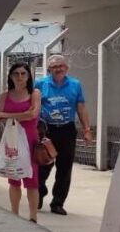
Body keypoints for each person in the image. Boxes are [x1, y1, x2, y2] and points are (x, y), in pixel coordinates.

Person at [36, 54, 90, 215]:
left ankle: (58, 202)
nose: (58, 69)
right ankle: (39, 192)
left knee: (64, 168)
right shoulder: (40, 84)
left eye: (61, 66)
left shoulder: (75, 84)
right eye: (54, 67)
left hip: (67, 130)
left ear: (66, 68)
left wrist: (87, 130)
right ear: (49, 69)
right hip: (47, 130)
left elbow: (81, 107)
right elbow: (35, 106)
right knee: (42, 165)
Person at [0, 62, 43, 222]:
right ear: (10, 76)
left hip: (30, 140)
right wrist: (21, 114)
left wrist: (7, 115)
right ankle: (14, 213)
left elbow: (32, 115)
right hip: (11, 140)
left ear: (29, 76)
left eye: (23, 73)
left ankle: (33, 216)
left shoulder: (34, 93)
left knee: (32, 180)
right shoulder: (5, 96)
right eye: (16, 73)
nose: (20, 77)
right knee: (13, 177)